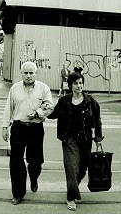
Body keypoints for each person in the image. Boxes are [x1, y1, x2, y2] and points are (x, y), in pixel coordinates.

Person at [47, 71, 103, 211]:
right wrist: (42, 111)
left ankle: (73, 187)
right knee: (71, 167)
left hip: (85, 138)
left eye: (80, 83)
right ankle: (71, 197)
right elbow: (54, 114)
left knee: (83, 168)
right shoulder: (64, 101)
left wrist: (98, 137)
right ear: (70, 85)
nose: (79, 86)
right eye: (76, 83)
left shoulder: (90, 101)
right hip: (69, 138)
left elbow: (97, 120)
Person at [1, 61, 54, 205]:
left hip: (36, 129)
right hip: (18, 128)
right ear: (22, 73)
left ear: (36, 74)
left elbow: (50, 107)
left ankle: (34, 177)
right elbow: (8, 109)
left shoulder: (43, 88)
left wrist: (38, 112)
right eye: (26, 73)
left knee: (35, 161)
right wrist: (5, 127)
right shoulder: (15, 88)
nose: (29, 76)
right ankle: (18, 193)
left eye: (31, 73)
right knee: (16, 161)